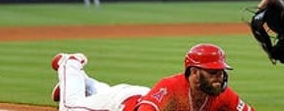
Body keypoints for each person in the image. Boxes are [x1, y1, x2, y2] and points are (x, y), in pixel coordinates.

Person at [51, 44, 254, 111]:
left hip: (140, 94)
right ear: (193, 72)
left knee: (101, 92)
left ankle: (86, 83)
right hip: (120, 105)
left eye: (220, 71)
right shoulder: (171, 88)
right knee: (70, 107)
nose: (219, 77)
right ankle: (70, 65)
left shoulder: (222, 95)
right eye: (212, 72)